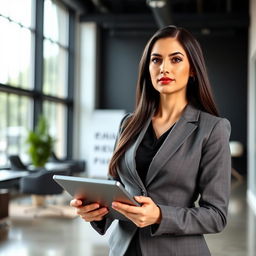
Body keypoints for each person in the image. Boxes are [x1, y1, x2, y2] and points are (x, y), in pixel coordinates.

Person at [70, 25, 231, 256]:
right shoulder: (129, 123)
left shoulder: (212, 129)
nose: (164, 68)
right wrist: (96, 212)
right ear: (148, 68)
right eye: (156, 60)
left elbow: (216, 216)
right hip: (123, 249)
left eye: (175, 59)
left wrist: (159, 215)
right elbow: (115, 188)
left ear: (193, 69)